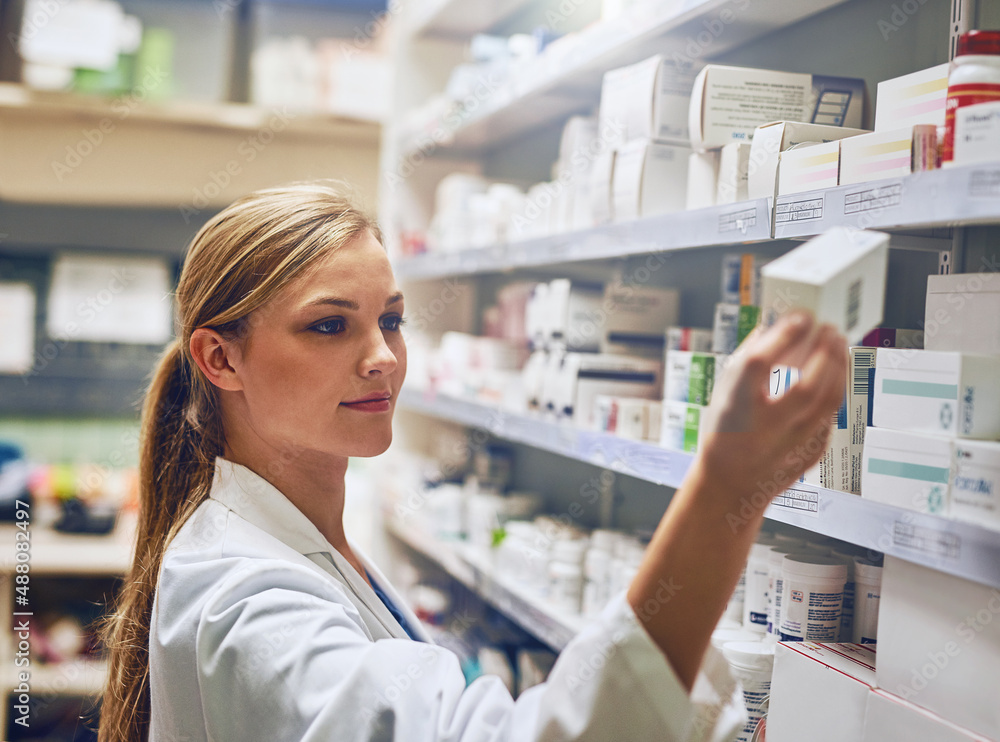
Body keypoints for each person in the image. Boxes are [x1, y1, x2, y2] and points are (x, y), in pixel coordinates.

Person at [98, 183, 847, 742]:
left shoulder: (307, 538)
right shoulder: (243, 599)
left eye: (391, 320)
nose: (382, 359)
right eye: (330, 326)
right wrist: (725, 493)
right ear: (220, 358)